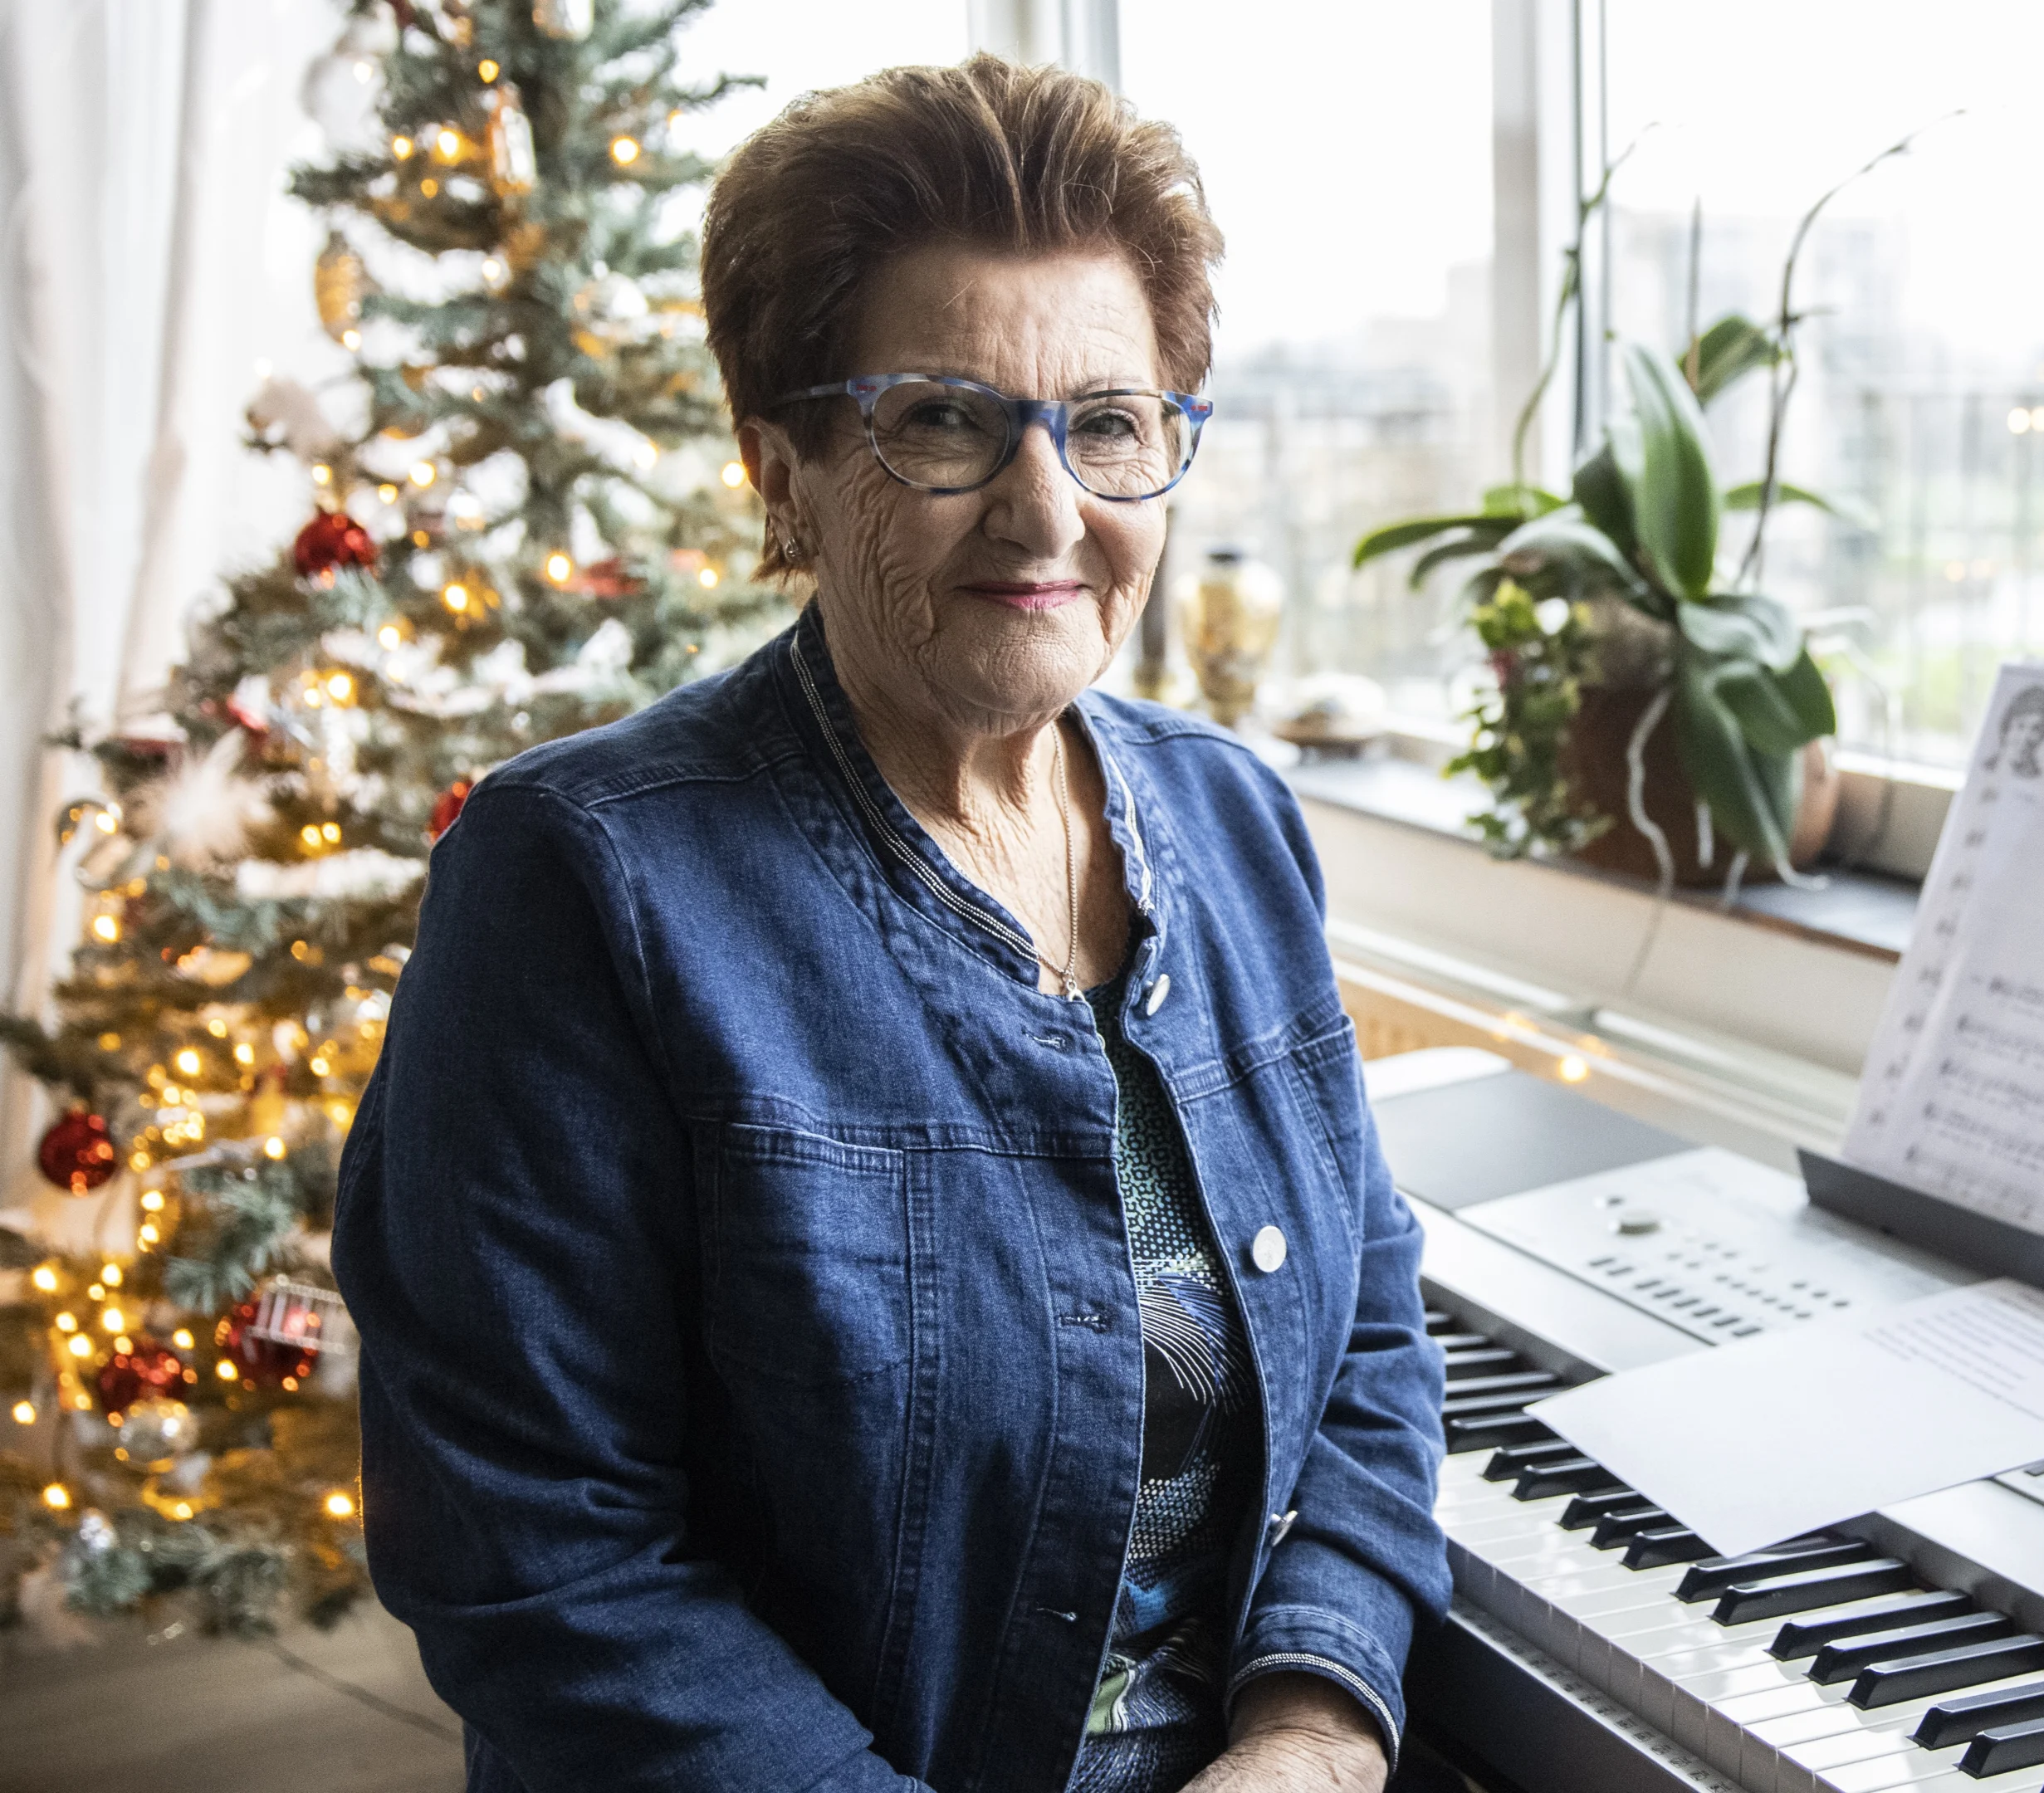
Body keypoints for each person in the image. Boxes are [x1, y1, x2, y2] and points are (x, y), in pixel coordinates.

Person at [332, 58, 1440, 1793]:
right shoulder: (581, 881)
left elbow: (1370, 1317)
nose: (1049, 509)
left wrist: (1312, 1724)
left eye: (1109, 421)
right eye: (943, 418)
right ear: (784, 469)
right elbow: (543, 1567)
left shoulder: (1236, 822)